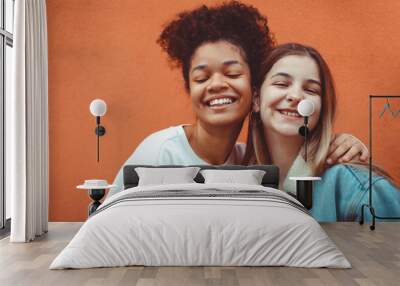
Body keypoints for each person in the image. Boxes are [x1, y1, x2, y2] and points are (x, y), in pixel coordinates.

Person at [108, 2, 368, 198]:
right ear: (190, 89)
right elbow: (103, 226)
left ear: (255, 92)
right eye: (201, 78)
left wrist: (340, 142)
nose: (217, 84)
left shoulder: (248, 162)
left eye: (232, 73)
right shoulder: (161, 152)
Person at [243, 42, 400, 221]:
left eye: (311, 90)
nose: (296, 97)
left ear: (322, 108)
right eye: (281, 83)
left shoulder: (360, 189)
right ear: (256, 99)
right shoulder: (243, 182)